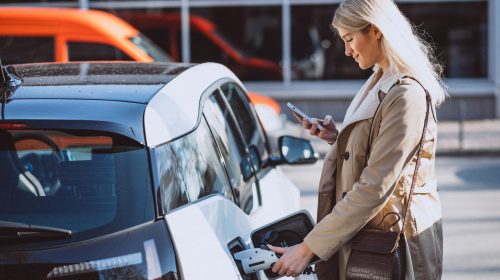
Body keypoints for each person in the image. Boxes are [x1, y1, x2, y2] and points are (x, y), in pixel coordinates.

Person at [269, 0, 446, 279]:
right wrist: (337, 139)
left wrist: (308, 249)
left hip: (391, 246)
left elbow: (376, 185)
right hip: (370, 237)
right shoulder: (381, 79)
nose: (347, 51)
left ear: (376, 30)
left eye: (349, 39)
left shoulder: (406, 94)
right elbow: (377, 152)